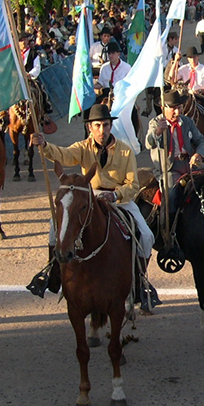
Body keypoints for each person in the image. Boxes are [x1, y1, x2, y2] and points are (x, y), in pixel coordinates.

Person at [29, 104, 155, 298]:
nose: (101, 130)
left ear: (110, 126)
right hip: (91, 196)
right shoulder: (82, 148)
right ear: (90, 127)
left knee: (146, 236)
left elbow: (133, 185)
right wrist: (45, 146)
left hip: (119, 199)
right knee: (55, 226)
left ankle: (139, 282)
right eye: (97, 126)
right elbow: (62, 154)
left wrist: (115, 195)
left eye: (105, 125)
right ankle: (53, 275)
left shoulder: (125, 151)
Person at [146, 89, 204, 217]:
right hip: (169, 168)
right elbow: (149, 143)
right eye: (173, 109)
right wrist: (158, 132)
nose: (177, 112)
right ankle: (169, 226)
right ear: (164, 108)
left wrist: (199, 154)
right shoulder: (155, 123)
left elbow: (201, 140)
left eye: (179, 108)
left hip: (190, 164)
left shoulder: (187, 121)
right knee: (170, 195)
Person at [168, 46, 204, 136]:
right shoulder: (183, 69)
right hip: (185, 96)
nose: (193, 59)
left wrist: (199, 90)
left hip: (200, 96)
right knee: (172, 110)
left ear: (198, 57)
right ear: (187, 58)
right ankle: (170, 133)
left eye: (194, 57)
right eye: (190, 57)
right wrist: (176, 61)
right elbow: (171, 79)